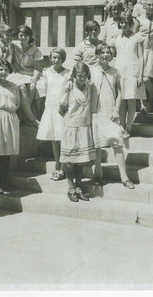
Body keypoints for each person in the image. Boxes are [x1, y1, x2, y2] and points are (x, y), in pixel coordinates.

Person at [91, 43, 135, 189]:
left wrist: (116, 110)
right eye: (102, 52)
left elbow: (119, 93)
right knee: (97, 145)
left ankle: (124, 176)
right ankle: (97, 174)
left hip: (110, 112)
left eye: (108, 52)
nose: (105, 55)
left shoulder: (115, 72)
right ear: (97, 54)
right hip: (96, 113)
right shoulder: (91, 71)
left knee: (117, 142)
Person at [59, 62, 96, 202]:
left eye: (84, 76)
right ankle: (70, 188)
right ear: (74, 76)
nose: (81, 78)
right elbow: (61, 109)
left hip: (84, 127)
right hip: (72, 128)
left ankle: (79, 186)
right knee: (70, 161)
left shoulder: (89, 87)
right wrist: (71, 121)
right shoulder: (68, 88)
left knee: (80, 160)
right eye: (79, 76)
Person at [36, 48, 69, 181]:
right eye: (54, 57)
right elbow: (43, 91)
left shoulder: (68, 73)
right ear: (50, 58)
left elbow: (68, 91)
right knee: (54, 139)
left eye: (59, 58)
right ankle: (57, 164)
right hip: (50, 107)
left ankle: (64, 167)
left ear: (63, 59)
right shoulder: (46, 73)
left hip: (62, 108)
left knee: (62, 139)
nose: (56, 60)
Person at [0, 60, 20, 193]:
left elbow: (17, 103)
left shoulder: (13, 86)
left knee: (6, 152)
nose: (3, 72)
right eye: (0, 69)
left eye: (5, 69)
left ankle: (4, 182)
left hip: (10, 118)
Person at [111, 11, 145, 138]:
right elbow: (111, 55)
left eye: (126, 22)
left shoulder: (137, 37)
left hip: (132, 71)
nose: (124, 24)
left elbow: (141, 57)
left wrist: (141, 75)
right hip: (120, 71)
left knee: (131, 100)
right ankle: (122, 126)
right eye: (121, 22)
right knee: (121, 100)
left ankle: (129, 127)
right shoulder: (116, 39)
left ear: (130, 23)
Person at [6, 25, 43, 127]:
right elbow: (9, 61)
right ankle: (31, 118)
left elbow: (37, 68)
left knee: (32, 87)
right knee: (22, 87)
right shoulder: (13, 45)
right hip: (17, 73)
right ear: (18, 36)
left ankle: (23, 116)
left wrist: (34, 80)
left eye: (26, 36)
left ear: (30, 36)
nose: (23, 38)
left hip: (30, 73)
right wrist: (15, 68)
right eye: (21, 35)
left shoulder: (35, 50)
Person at [137, 0, 153, 113]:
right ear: (144, 6)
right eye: (148, 5)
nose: (150, 7)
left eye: (152, 5)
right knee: (142, 78)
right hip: (141, 51)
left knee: (148, 79)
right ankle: (145, 103)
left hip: (152, 51)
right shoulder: (139, 20)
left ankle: (151, 97)